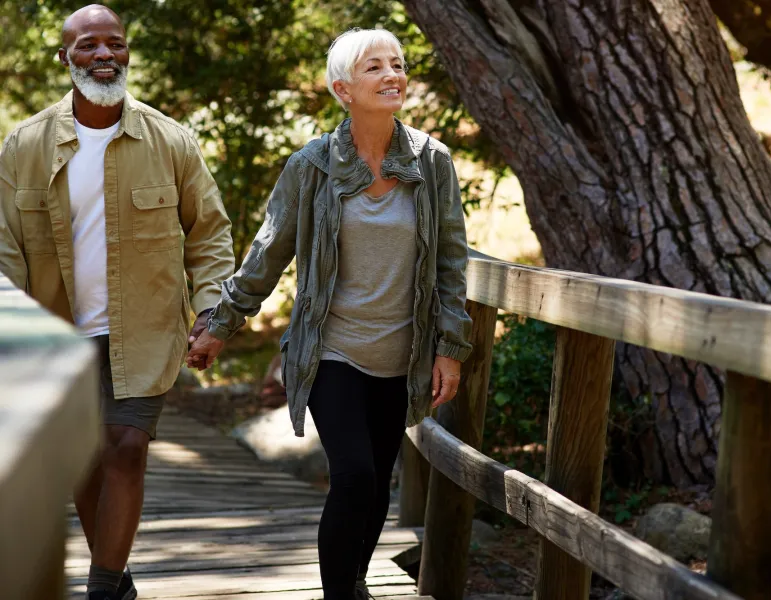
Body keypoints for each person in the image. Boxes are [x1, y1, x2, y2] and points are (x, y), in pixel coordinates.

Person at [187, 28, 473, 600]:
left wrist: (450, 346)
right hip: (331, 350)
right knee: (355, 475)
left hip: (404, 353)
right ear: (343, 88)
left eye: (398, 64)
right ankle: (340, 593)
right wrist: (221, 325)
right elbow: (268, 253)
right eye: (375, 68)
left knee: (377, 483)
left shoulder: (432, 161)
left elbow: (450, 259)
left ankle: (356, 581)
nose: (393, 74)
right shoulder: (312, 165)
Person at [0, 5, 234, 599]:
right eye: (88, 46)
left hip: (145, 327)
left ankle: (103, 588)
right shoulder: (24, 146)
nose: (104, 55)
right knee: (83, 459)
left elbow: (208, 231)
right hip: (56, 330)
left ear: (127, 53)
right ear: (65, 58)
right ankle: (118, 575)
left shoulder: (170, 140)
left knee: (125, 449)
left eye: (114, 44)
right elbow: (4, 248)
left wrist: (211, 313)